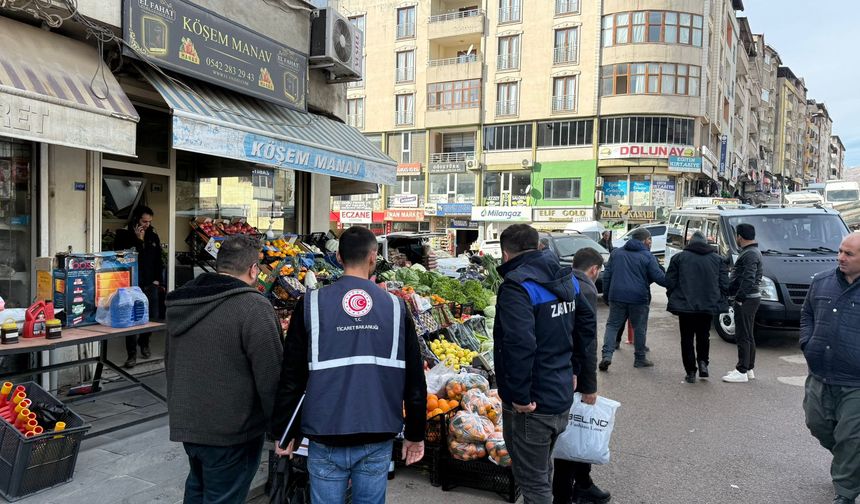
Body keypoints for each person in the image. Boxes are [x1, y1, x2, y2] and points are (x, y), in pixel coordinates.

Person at [273, 226, 426, 504]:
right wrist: (415, 434)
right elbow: (414, 379)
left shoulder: (311, 304)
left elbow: (291, 376)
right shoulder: (395, 307)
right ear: (372, 257)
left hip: (324, 432)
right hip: (377, 431)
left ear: (339, 258)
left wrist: (285, 431)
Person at [165, 235, 283, 504]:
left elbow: (169, 361)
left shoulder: (184, 301)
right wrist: (280, 429)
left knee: (197, 489)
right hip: (232, 430)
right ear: (254, 270)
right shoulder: (253, 306)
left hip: (190, 423)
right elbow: (271, 375)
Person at [494, 224, 596, 504]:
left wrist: (520, 396)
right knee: (542, 470)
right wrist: (576, 370)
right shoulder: (568, 279)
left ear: (505, 253)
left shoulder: (518, 286)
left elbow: (519, 345)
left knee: (534, 484)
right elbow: (586, 329)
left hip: (533, 404)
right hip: (559, 393)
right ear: (538, 245)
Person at [801, 232, 860, 504]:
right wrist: (807, 343)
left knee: (850, 437)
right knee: (817, 425)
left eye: (849, 254)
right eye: (840, 251)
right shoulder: (822, 282)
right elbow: (807, 314)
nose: (841, 257)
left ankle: (845, 493)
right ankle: (851, 462)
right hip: (820, 373)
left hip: (855, 382)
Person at [553, 247, 610, 504]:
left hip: (559, 367)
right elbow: (587, 343)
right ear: (594, 269)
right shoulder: (585, 289)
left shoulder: (563, 282)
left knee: (575, 430)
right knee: (574, 432)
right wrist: (590, 386)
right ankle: (565, 494)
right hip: (573, 373)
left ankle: (583, 483)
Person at [665, 231, 729, 384]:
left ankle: (690, 372)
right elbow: (725, 284)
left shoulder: (678, 258)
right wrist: (719, 298)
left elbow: (670, 282)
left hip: (685, 305)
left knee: (686, 338)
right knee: (703, 335)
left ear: (690, 243)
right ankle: (703, 363)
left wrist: (673, 296)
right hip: (708, 305)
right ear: (706, 243)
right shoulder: (718, 259)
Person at [599, 227, 666, 371]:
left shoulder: (616, 253)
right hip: (638, 297)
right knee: (639, 328)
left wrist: (606, 295)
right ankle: (640, 359)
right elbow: (660, 278)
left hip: (616, 296)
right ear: (643, 240)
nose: (650, 242)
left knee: (612, 326)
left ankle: (607, 356)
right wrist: (676, 281)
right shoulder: (648, 256)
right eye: (649, 239)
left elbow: (607, 276)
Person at [114, 205, 163, 368]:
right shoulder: (123, 234)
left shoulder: (152, 235)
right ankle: (131, 354)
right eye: (144, 221)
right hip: (131, 284)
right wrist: (137, 240)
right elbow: (121, 257)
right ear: (136, 219)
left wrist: (157, 280)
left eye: (149, 221)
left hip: (150, 283)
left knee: (151, 317)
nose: (147, 224)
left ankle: (145, 343)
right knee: (132, 319)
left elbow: (157, 259)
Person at [722, 223, 763, 383]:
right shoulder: (752, 252)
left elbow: (748, 277)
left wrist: (739, 297)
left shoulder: (750, 254)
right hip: (751, 298)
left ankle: (741, 370)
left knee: (742, 335)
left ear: (739, 236)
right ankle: (748, 367)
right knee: (748, 334)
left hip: (747, 299)